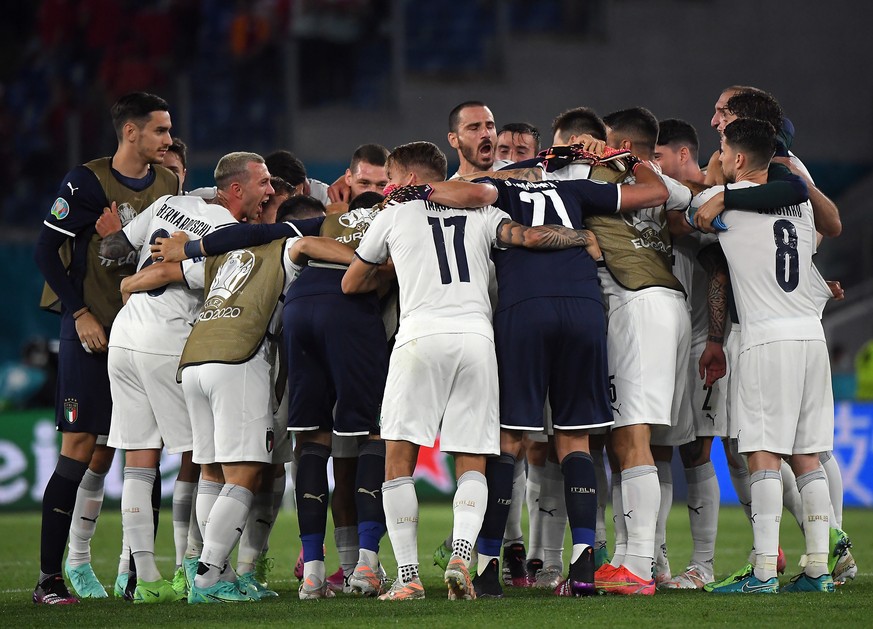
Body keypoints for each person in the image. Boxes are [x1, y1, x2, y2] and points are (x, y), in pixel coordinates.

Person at [341, 141, 609, 601]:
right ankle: (463, 556)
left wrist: (391, 270)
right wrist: (578, 236)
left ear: (405, 180)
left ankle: (407, 577)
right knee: (473, 458)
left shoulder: (392, 214)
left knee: (398, 459)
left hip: (420, 336)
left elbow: (352, 281)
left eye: (390, 178)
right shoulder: (483, 215)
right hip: (476, 339)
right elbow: (527, 237)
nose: (386, 186)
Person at [32, 91, 178, 605]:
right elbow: (45, 250)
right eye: (159, 130)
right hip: (92, 334)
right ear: (130, 132)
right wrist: (79, 312)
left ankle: (138, 575)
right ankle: (50, 579)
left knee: (145, 452)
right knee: (81, 449)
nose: (167, 138)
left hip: (141, 338)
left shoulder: (169, 183)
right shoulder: (86, 181)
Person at [94, 154, 241, 603]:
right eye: (262, 186)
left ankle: (144, 580)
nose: (268, 194)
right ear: (234, 191)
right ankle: (205, 571)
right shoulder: (223, 227)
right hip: (168, 341)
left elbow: (112, 252)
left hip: (124, 336)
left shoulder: (163, 206)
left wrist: (122, 263)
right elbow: (184, 272)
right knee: (204, 458)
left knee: (140, 461)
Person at [706, 118, 835, 594]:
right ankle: (818, 568)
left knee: (761, 451)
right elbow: (808, 202)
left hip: (767, 337)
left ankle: (763, 570)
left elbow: (694, 219)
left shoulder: (721, 207)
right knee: (806, 455)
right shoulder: (800, 210)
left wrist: (718, 193)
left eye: (720, 147)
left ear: (738, 159)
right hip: (811, 337)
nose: (715, 156)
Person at [447, 101, 497, 178]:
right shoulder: (451, 189)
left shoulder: (514, 169)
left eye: (490, 126)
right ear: (454, 140)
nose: (486, 134)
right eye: (474, 128)